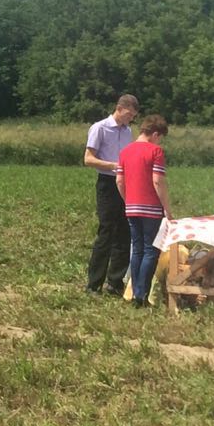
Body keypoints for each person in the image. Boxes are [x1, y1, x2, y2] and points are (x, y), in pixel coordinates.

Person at [85, 94, 140, 296]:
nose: (130, 119)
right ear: (120, 108)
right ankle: (94, 284)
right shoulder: (99, 128)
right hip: (107, 183)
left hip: (125, 183)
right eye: (129, 114)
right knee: (106, 231)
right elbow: (88, 159)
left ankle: (115, 283)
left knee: (124, 232)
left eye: (133, 116)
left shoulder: (128, 131)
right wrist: (112, 165)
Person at [115, 114, 172, 308]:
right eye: (160, 137)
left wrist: (127, 200)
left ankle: (134, 294)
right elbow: (157, 181)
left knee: (137, 249)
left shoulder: (125, 152)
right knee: (150, 250)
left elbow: (119, 181)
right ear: (155, 134)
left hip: (131, 207)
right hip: (151, 208)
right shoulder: (156, 151)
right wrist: (167, 207)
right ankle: (141, 295)